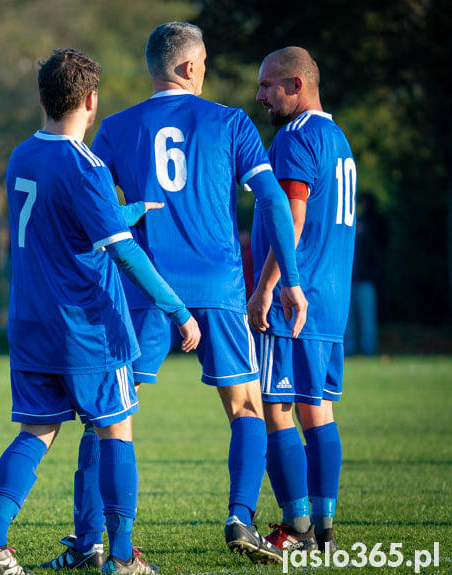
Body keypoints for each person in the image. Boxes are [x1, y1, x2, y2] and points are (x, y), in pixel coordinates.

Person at [41, 22, 307, 569]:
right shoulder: (231, 122)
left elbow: (97, 211)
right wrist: (292, 282)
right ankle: (240, 517)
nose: (205, 70)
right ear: (189, 68)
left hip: (147, 293)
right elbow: (275, 203)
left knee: (108, 416)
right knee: (245, 406)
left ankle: (91, 542)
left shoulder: (115, 128)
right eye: (204, 62)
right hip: (220, 289)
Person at [0, 48, 199, 575]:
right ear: (92, 100)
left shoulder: (22, 155)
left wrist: (134, 210)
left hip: (30, 324)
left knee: (36, 433)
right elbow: (123, 252)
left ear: (44, 96)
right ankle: (120, 556)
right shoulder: (85, 165)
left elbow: (69, 217)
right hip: (88, 329)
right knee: (115, 431)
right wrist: (178, 310)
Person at [248, 46, 356, 555]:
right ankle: (325, 532)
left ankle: (294, 529)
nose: (260, 95)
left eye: (269, 85)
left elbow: (290, 221)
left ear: (297, 85)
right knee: (319, 411)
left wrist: (266, 287)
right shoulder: (339, 140)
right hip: (332, 300)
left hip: (298, 300)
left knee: (277, 408)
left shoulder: (296, 137)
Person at [345, 192, 388, 356]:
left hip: (365, 281)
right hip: (348, 281)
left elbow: (376, 257)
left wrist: (372, 276)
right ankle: (349, 350)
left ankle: (369, 351)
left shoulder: (371, 229)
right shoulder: (346, 228)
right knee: (348, 320)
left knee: (367, 319)